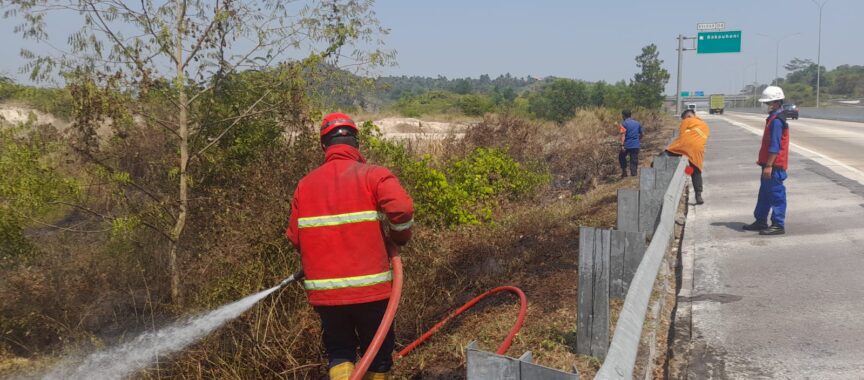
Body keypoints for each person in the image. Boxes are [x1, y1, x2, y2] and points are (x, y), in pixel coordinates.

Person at [286, 112, 414, 380]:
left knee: (340, 351)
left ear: (324, 146)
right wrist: (398, 239)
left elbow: (296, 238)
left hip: (328, 296)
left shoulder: (305, 186)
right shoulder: (373, 176)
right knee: (377, 354)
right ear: (357, 142)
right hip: (371, 293)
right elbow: (401, 209)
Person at [742, 86, 789, 235]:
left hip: (774, 166)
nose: (764, 106)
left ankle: (778, 225)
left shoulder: (776, 121)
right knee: (764, 195)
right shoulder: (772, 118)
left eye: (766, 103)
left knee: (776, 195)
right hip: (767, 165)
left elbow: (775, 146)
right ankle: (761, 221)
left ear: (775, 103)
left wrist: (769, 165)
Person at [665, 109, 710, 205]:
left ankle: (653, 168)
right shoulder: (705, 125)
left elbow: (681, 135)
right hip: (698, 150)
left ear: (688, 116)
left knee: (666, 154)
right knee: (696, 171)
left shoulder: (687, 120)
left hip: (684, 146)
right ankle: (698, 195)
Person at [618, 110, 644, 177]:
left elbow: (623, 135)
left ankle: (624, 172)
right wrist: (638, 140)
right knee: (634, 160)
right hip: (635, 145)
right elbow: (642, 134)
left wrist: (622, 145)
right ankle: (634, 175)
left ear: (623, 116)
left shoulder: (623, 124)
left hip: (627, 145)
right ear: (630, 115)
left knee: (621, 157)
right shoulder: (637, 123)